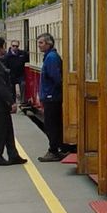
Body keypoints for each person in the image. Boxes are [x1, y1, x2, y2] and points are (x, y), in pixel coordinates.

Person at [0, 36, 27, 166]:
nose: (5, 48)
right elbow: (0, 85)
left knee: (7, 129)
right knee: (0, 130)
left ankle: (13, 155)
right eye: (3, 46)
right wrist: (11, 102)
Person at [37, 32, 65, 162]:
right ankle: (57, 148)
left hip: (52, 96)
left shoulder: (51, 58)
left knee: (51, 124)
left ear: (49, 44)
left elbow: (56, 78)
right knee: (53, 123)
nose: (39, 46)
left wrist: (48, 93)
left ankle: (53, 150)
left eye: (41, 43)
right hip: (51, 95)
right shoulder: (51, 56)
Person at [2, 39, 29, 103]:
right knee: (11, 89)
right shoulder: (7, 56)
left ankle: (23, 102)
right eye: (13, 46)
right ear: (11, 46)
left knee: (23, 84)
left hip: (20, 74)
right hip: (11, 75)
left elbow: (27, 58)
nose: (15, 48)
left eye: (17, 46)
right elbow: (4, 66)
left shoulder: (22, 54)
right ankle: (12, 102)